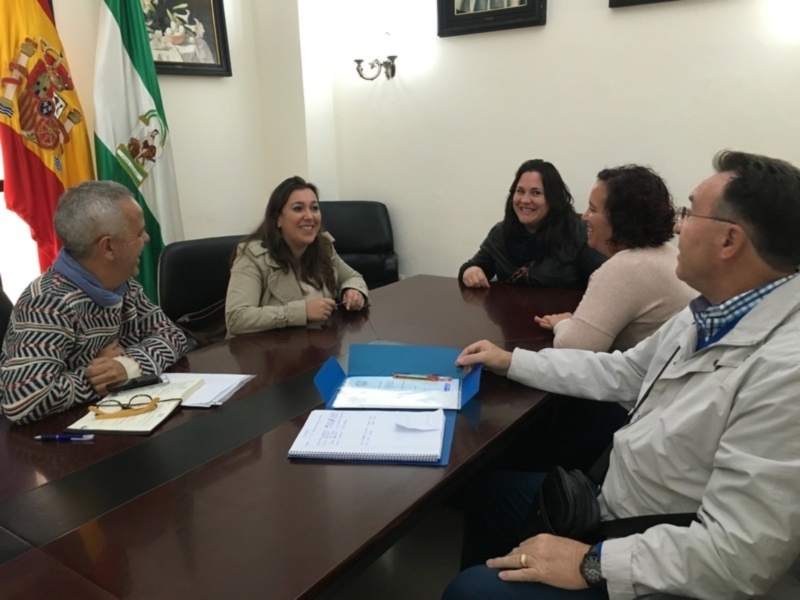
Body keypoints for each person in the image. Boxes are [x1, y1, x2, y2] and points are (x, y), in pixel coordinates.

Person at [445, 150, 800, 599]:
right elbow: (625, 370)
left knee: (471, 591)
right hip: (619, 500)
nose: (676, 226)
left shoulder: (787, 369)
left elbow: (739, 556)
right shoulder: (707, 312)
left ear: (729, 241)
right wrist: (513, 361)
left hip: (658, 553)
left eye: (689, 213)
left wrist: (592, 563)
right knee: (488, 492)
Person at [0, 181, 189, 425]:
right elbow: (23, 401)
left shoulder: (124, 284)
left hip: (113, 420)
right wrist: (95, 374)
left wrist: (126, 367)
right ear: (108, 247)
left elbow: (172, 336)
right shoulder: (47, 302)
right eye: (139, 232)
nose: (147, 238)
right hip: (54, 446)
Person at [535, 165, 696, 352]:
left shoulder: (626, 267)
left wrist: (561, 323)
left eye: (593, 209)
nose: (585, 216)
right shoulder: (668, 252)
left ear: (620, 219)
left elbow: (573, 348)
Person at [225, 176, 368, 336]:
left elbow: (352, 277)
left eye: (314, 208)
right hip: (269, 352)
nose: (309, 216)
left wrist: (352, 290)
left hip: (318, 345)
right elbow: (236, 318)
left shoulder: (323, 246)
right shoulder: (252, 255)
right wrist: (302, 312)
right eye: (298, 208)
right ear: (277, 219)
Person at [459, 159, 605, 290]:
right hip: (509, 317)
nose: (525, 200)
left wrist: (572, 317)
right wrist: (471, 270)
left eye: (536, 193)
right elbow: (477, 264)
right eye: (520, 191)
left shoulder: (579, 234)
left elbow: (604, 286)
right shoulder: (501, 231)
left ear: (553, 198)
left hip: (561, 318)